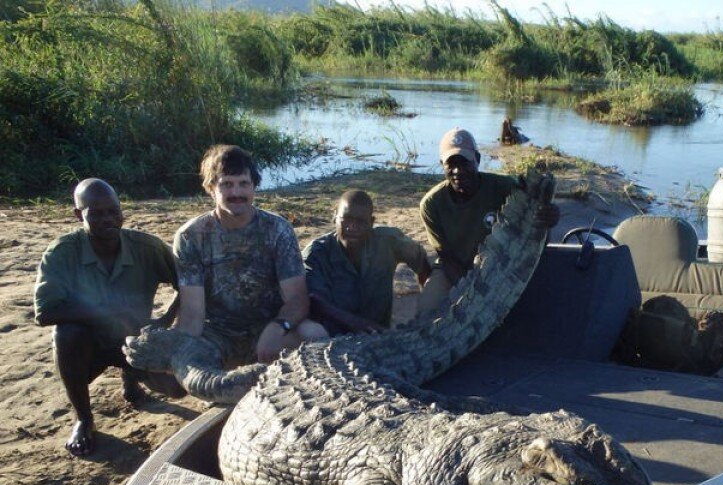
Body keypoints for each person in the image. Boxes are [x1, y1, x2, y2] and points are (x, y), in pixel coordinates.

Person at [34, 178, 180, 456]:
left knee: (176, 390)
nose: (108, 219)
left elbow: (189, 283)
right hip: (89, 346)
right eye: (96, 213)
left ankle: (131, 383)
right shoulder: (62, 252)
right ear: (79, 215)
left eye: (113, 211)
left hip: (134, 340)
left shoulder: (146, 247)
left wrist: (166, 319)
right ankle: (84, 419)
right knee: (66, 334)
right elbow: (44, 312)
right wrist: (102, 312)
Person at [173, 145, 309, 367]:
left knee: (315, 333)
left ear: (254, 186)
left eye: (243, 184)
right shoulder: (190, 236)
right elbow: (192, 313)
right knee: (167, 378)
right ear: (210, 188)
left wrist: (278, 327)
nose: (236, 193)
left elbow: (298, 299)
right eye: (227, 184)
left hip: (267, 330)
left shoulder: (278, 229)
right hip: (217, 334)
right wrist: (182, 351)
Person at [416, 127, 560, 317]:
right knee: (427, 311)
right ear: (442, 164)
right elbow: (446, 255)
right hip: (454, 268)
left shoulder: (506, 187)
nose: (458, 170)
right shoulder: (431, 204)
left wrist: (551, 216)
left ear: (477, 159)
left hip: (500, 266)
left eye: (464, 162)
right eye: (451, 163)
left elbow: (534, 223)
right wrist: (473, 290)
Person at [301, 190, 431, 337]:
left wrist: (426, 307)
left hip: (379, 334)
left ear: (371, 222)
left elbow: (423, 263)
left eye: (361, 221)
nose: (352, 227)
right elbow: (315, 300)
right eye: (347, 219)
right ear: (334, 217)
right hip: (333, 336)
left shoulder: (389, 241)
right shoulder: (316, 252)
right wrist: (355, 323)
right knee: (307, 331)